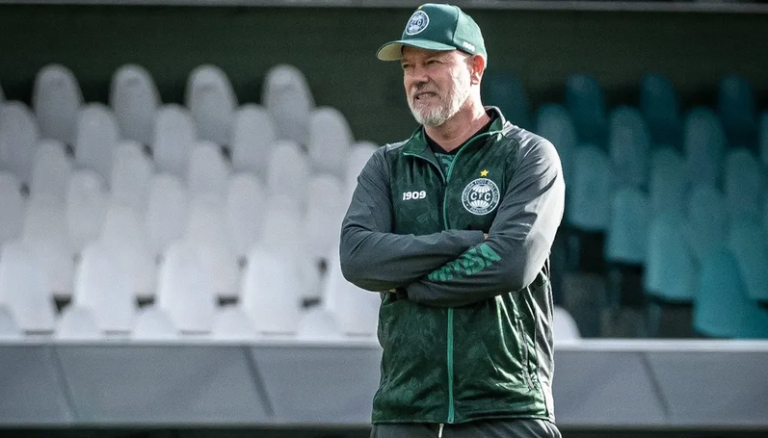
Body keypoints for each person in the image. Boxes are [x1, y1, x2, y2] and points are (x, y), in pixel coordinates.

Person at [339, 4, 565, 438]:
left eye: (433, 62)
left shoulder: (528, 156)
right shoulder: (387, 166)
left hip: (507, 405)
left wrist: (408, 285)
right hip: (405, 410)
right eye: (408, 67)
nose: (417, 77)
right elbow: (357, 258)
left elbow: (511, 263)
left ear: (475, 68)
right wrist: (457, 242)